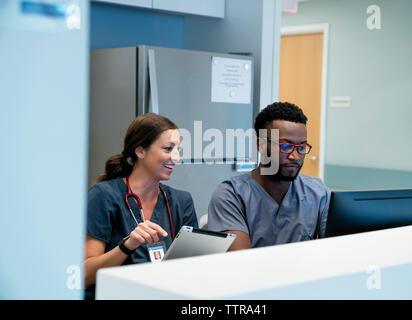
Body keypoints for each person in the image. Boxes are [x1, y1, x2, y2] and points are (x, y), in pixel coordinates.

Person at [84, 113, 198, 299]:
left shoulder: (181, 201)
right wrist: (128, 245)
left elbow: (192, 267)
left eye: (178, 149)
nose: (176, 158)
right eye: (168, 149)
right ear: (140, 151)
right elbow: (85, 275)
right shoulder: (103, 196)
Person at [208, 102, 330, 250]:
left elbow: (337, 248)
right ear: (261, 145)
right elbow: (241, 263)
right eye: (285, 146)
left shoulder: (317, 192)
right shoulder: (231, 195)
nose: (295, 156)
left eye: (302, 147)